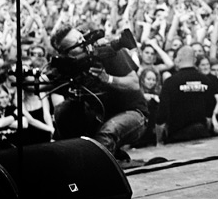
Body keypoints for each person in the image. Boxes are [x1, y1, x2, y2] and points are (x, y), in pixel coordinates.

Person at [49, 25, 148, 162]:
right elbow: (45, 81)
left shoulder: (107, 51)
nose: (84, 43)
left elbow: (134, 83)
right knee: (62, 111)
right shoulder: (67, 65)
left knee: (106, 133)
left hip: (133, 112)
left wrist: (108, 78)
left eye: (82, 37)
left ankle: (97, 172)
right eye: (78, 43)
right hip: (99, 116)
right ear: (66, 53)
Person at [156, 45, 218, 143]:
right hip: (202, 135)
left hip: (177, 137)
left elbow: (162, 115)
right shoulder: (206, 80)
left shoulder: (170, 82)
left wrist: (159, 140)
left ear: (178, 59)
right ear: (195, 60)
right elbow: (209, 114)